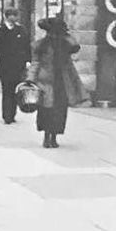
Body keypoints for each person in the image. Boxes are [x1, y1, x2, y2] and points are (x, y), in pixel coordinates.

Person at [27, 14, 87, 148]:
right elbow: (36, 63)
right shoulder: (43, 45)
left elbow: (75, 45)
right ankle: (49, 137)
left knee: (53, 110)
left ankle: (50, 137)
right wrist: (30, 79)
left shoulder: (50, 44)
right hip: (49, 82)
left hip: (57, 81)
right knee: (51, 110)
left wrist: (31, 79)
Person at [0, 7, 31, 124]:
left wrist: (28, 60)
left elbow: (27, 46)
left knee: (16, 90)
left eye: (15, 15)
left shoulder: (21, 29)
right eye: (11, 15)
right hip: (5, 65)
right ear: (6, 17)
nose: (14, 17)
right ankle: (7, 115)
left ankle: (12, 114)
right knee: (7, 90)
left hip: (18, 65)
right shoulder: (1, 29)